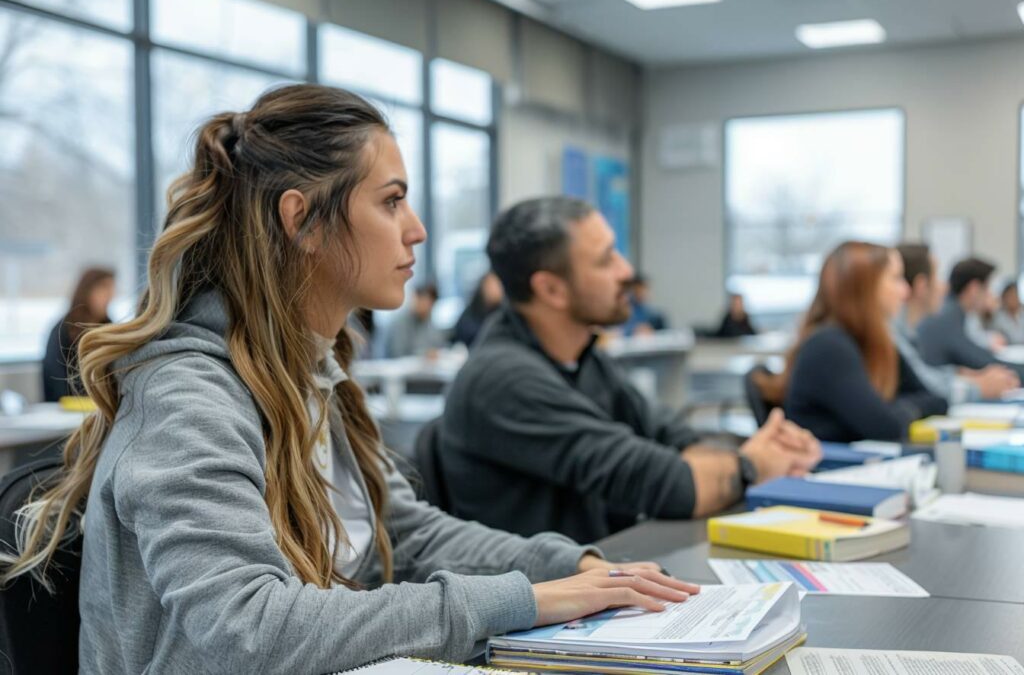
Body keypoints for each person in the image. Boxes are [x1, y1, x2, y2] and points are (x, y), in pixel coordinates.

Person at [0, 86, 695, 674]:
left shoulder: (306, 370)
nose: (417, 231)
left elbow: (399, 533)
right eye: (391, 201)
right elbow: (248, 626)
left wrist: (571, 566)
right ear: (301, 219)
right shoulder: (188, 394)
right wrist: (527, 598)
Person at [440, 196, 821, 544]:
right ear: (552, 290)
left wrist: (763, 452)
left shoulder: (583, 356)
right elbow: (668, 485)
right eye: (606, 260)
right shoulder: (504, 380)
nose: (627, 271)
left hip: (604, 576)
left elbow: (673, 436)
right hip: (545, 606)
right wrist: (753, 464)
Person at [762, 242, 947, 443]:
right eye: (895, 279)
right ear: (865, 288)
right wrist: (898, 408)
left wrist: (894, 408)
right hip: (828, 469)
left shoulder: (873, 342)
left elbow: (937, 401)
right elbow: (887, 427)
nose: (905, 291)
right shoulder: (828, 347)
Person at [894, 244, 1017, 403]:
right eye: (937, 277)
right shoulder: (945, 319)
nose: (943, 286)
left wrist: (956, 374)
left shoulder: (910, 329)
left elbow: (923, 374)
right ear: (921, 285)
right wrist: (977, 386)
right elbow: (925, 385)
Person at [917, 258, 1023, 379]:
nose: (991, 294)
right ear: (974, 289)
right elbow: (980, 361)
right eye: (987, 288)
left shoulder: (955, 314)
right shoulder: (947, 318)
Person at [41, 267, 115, 401]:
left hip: (103, 407)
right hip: (68, 408)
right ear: (87, 291)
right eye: (104, 288)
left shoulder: (110, 328)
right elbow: (54, 379)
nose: (110, 295)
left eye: (111, 289)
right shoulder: (62, 330)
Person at [385, 283, 447, 357]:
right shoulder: (401, 322)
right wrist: (425, 354)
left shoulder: (428, 320)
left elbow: (439, 345)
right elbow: (398, 352)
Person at [452, 271, 503, 348]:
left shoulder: (504, 311)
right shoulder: (474, 308)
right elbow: (462, 332)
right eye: (491, 286)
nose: (496, 290)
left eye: (499, 286)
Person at [994, 281, 1024, 346]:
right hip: (1007, 352)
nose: (1013, 299)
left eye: (1015, 295)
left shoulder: (1022, 314)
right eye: (1010, 296)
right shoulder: (997, 318)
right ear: (1004, 298)